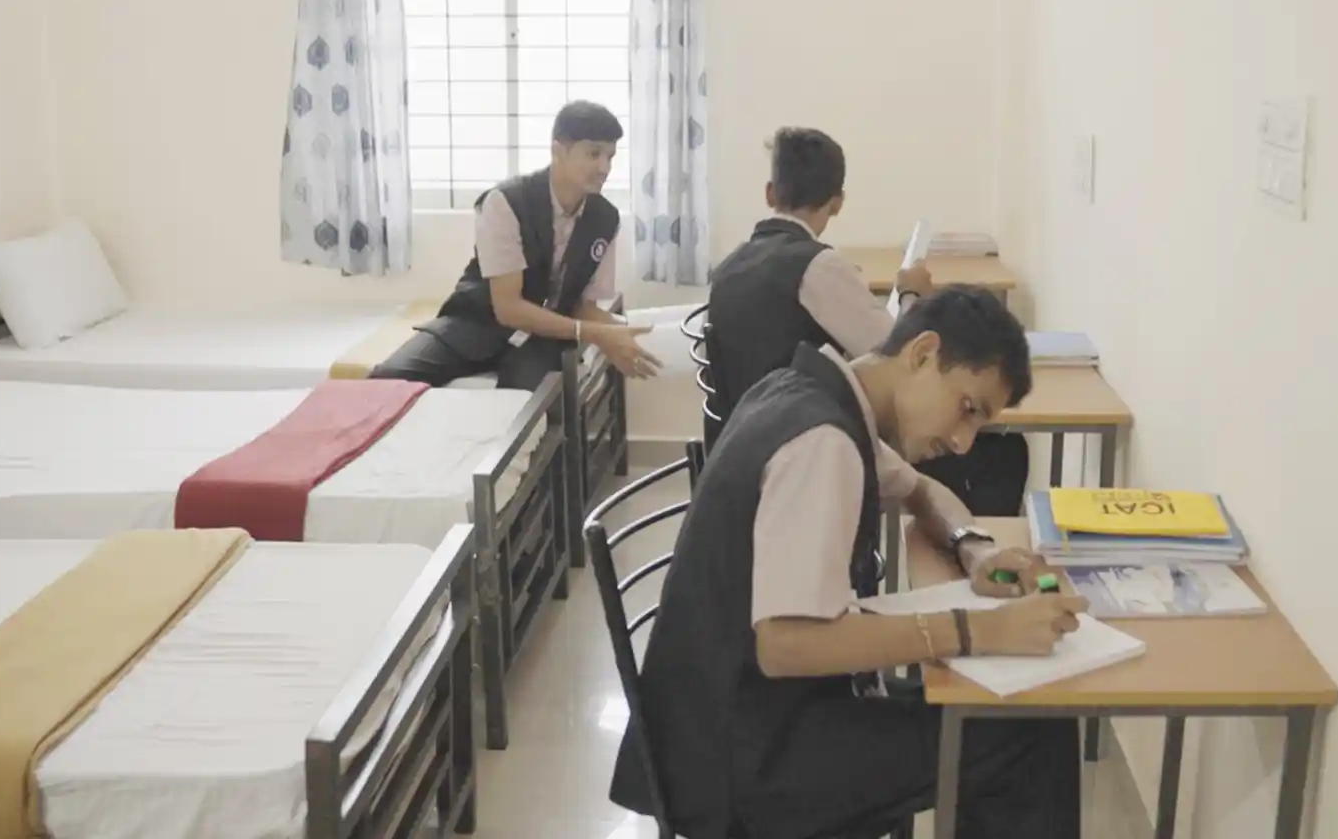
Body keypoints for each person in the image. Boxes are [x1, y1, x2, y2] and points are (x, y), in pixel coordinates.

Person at [611, 287, 1083, 839]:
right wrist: (977, 630)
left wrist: (975, 549)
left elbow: (920, 490)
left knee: (996, 718)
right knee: (1028, 734)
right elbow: (785, 644)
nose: (963, 442)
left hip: (721, 724)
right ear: (923, 354)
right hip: (746, 764)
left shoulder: (805, 391)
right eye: (968, 409)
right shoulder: (823, 442)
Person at [703, 127, 1031, 515]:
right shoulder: (817, 266)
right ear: (837, 202)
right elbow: (892, 351)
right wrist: (911, 294)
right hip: (804, 440)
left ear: (770, 193)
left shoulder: (729, 265)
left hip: (748, 436)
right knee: (1005, 451)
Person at [370, 100, 660, 389]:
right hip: (476, 322)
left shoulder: (605, 219)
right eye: (593, 154)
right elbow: (508, 308)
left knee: (527, 402)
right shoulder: (506, 201)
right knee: (384, 381)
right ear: (559, 150)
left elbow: (584, 307)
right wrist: (595, 333)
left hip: (545, 336)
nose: (604, 168)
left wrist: (627, 332)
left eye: (610, 156)